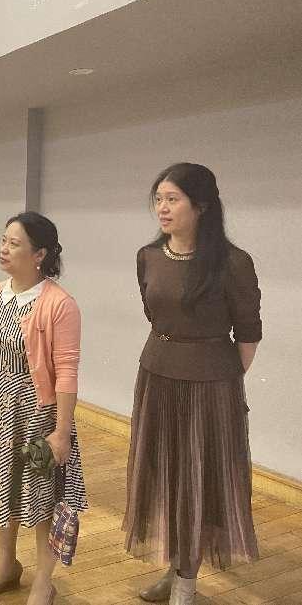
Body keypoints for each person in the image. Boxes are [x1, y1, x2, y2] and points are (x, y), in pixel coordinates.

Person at [123, 163, 262, 605]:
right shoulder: (148, 256)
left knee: (199, 481)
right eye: (158, 199)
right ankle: (176, 567)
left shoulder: (233, 263)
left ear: (201, 205)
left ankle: (186, 580)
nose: (162, 208)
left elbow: (248, 334)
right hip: (157, 374)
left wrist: (222, 380)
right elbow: (155, 313)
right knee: (165, 474)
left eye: (173, 199)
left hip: (210, 385)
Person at [0, 212, 87, 605]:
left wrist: (62, 431)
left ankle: (43, 582)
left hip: (38, 415)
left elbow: (66, 372)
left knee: (41, 497)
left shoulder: (59, 304)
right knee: (6, 485)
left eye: (14, 243)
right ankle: (7, 564)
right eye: (4, 240)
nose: (4, 249)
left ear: (39, 254)